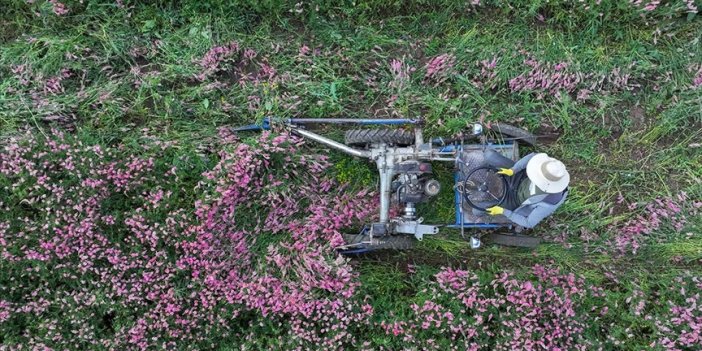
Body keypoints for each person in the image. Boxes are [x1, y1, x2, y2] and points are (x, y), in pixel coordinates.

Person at [481, 151, 570, 229]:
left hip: (514, 200)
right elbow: (533, 156)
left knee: (477, 210)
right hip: (518, 177)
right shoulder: (548, 166)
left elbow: (529, 223)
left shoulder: (550, 201)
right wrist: (513, 170)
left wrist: (503, 211)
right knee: (489, 155)